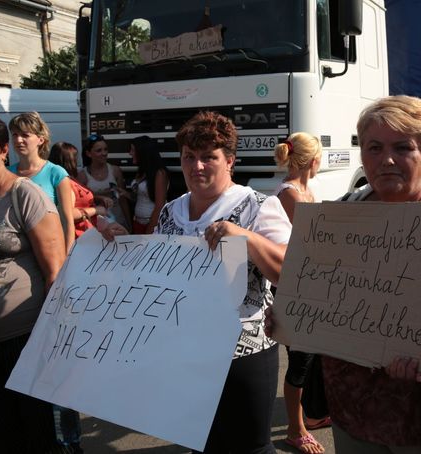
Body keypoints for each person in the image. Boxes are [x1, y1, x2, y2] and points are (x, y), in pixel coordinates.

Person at [269, 96, 421, 453]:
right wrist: (288, 317)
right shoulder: (336, 219)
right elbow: (317, 299)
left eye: (403, 147)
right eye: (374, 147)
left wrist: (416, 345)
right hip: (350, 410)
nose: (386, 159)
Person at [99, 111, 291, 454]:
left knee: (251, 447)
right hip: (185, 350)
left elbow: (292, 272)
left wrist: (247, 238)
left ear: (229, 161)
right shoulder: (171, 211)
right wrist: (123, 243)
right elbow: (154, 276)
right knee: (201, 443)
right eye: (190, 157)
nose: (197, 166)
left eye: (209, 157)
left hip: (241, 355)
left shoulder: (258, 207)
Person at [0, 111, 68, 453]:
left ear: (3, 150)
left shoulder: (24, 195)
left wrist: (50, 340)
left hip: (20, 342)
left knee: (34, 435)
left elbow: (56, 271)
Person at [273, 132, 328, 454]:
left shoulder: (307, 190)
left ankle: (314, 414)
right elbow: (315, 241)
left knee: (315, 355)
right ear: (313, 161)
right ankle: (296, 430)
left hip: (312, 285)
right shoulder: (290, 194)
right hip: (295, 288)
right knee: (300, 360)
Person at [8, 112, 75, 253]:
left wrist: (68, 256)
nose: (18, 140)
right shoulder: (6, 173)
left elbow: (67, 221)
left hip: (49, 250)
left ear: (40, 139)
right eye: (14, 135)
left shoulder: (56, 172)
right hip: (16, 252)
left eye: (25, 135)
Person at [49, 141, 111, 239]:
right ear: (69, 160)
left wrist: (97, 198)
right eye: (75, 158)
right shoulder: (65, 183)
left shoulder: (70, 179)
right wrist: (96, 210)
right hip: (78, 237)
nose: (77, 161)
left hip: (86, 233)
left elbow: (78, 200)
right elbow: (69, 214)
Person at [77, 134, 131, 230]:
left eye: (105, 149)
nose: (104, 153)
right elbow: (81, 203)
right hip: (96, 224)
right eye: (99, 150)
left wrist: (129, 224)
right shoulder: (83, 175)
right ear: (89, 154)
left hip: (118, 221)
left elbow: (123, 199)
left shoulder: (115, 170)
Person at [125, 136, 169, 234]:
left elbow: (160, 206)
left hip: (152, 224)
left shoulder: (160, 173)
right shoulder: (141, 172)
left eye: (132, 150)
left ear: (142, 152)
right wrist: (124, 193)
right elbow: (139, 198)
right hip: (137, 222)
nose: (130, 153)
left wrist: (149, 231)